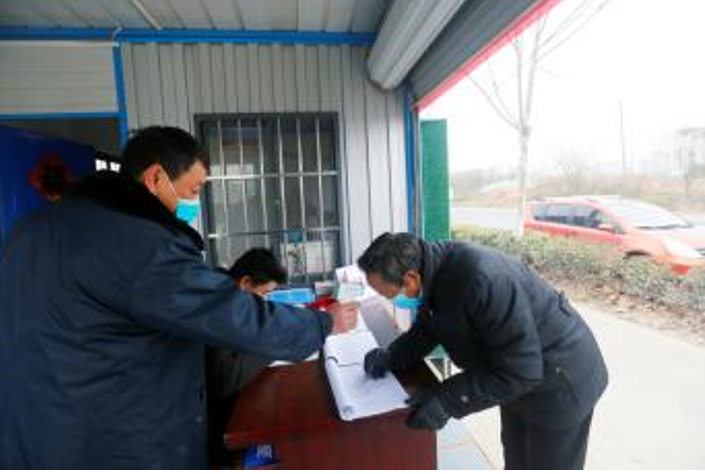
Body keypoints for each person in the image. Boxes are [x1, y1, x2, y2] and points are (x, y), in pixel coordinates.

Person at [0, 126, 358, 469]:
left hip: (37, 435)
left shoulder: (29, 230)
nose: (194, 204)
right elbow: (226, 312)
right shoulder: (137, 243)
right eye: (193, 189)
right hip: (111, 443)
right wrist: (321, 323)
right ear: (156, 177)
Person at [359, 232, 608, 470]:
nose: (391, 300)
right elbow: (429, 328)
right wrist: (392, 357)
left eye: (388, 294)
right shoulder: (433, 273)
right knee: (517, 462)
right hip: (518, 379)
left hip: (562, 380)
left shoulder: (481, 279)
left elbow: (521, 372)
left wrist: (446, 400)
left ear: (411, 278)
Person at [205, 248, 288, 465]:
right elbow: (225, 379)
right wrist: (272, 347)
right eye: (264, 294)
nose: (265, 301)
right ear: (245, 283)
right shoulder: (218, 305)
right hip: (210, 424)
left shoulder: (226, 292)